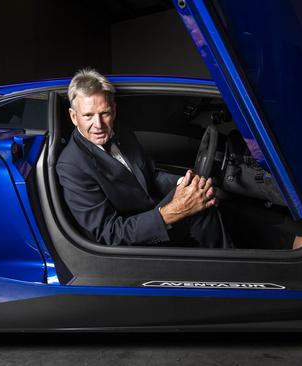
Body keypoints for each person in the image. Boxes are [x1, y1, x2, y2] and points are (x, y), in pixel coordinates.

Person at [56, 68, 228, 248]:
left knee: (204, 201)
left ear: (113, 110)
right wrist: (173, 211)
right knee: (200, 212)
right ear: (74, 117)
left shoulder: (121, 130)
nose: (98, 125)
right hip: (135, 240)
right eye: (88, 116)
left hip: (151, 210)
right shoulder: (71, 165)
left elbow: (151, 175)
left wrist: (187, 184)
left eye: (104, 113)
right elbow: (110, 233)